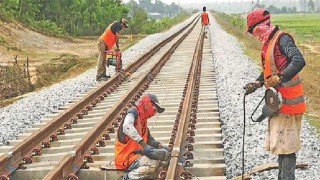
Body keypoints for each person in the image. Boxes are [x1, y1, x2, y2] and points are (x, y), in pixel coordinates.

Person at [244, 8, 306, 179]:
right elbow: (270, 70)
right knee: (282, 146)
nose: (253, 34)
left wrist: (280, 78)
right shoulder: (269, 42)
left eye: (252, 30)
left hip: (289, 103)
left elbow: (299, 60)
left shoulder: (282, 39)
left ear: (260, 26)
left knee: (287, 149)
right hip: (279, 103)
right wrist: (257, 83)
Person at [114, 93, 170, 180]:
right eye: (153, 107)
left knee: (160, 159)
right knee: (152, 164)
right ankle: (126, 178)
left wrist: (160, 146)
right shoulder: (133, 112)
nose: (154, 111)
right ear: (147, 103)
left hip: (136, 156)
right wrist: (143, 145)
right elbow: (127, 126)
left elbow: (150, 140)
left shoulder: (143, 121)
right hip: (126, 158)